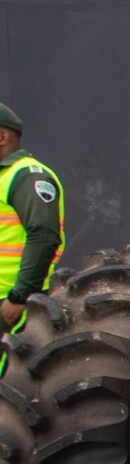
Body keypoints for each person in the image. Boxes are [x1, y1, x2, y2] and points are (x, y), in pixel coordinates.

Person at [0, 104, 65, 375]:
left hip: (11, 306)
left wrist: (19, 296)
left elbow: (43, 235)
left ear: (2, 137)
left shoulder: (27, 176)